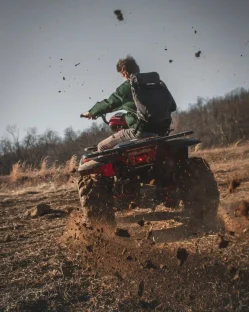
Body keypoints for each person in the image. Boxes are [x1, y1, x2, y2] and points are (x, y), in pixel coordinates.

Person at [80, 55, 176, 151]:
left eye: (122, 75)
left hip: (141, 131)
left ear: (125, 73)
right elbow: (173, 106)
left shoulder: (128, 86)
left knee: (101, 146)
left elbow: (109, 103)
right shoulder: (157, 83)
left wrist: (91, 112)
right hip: (162, 129)